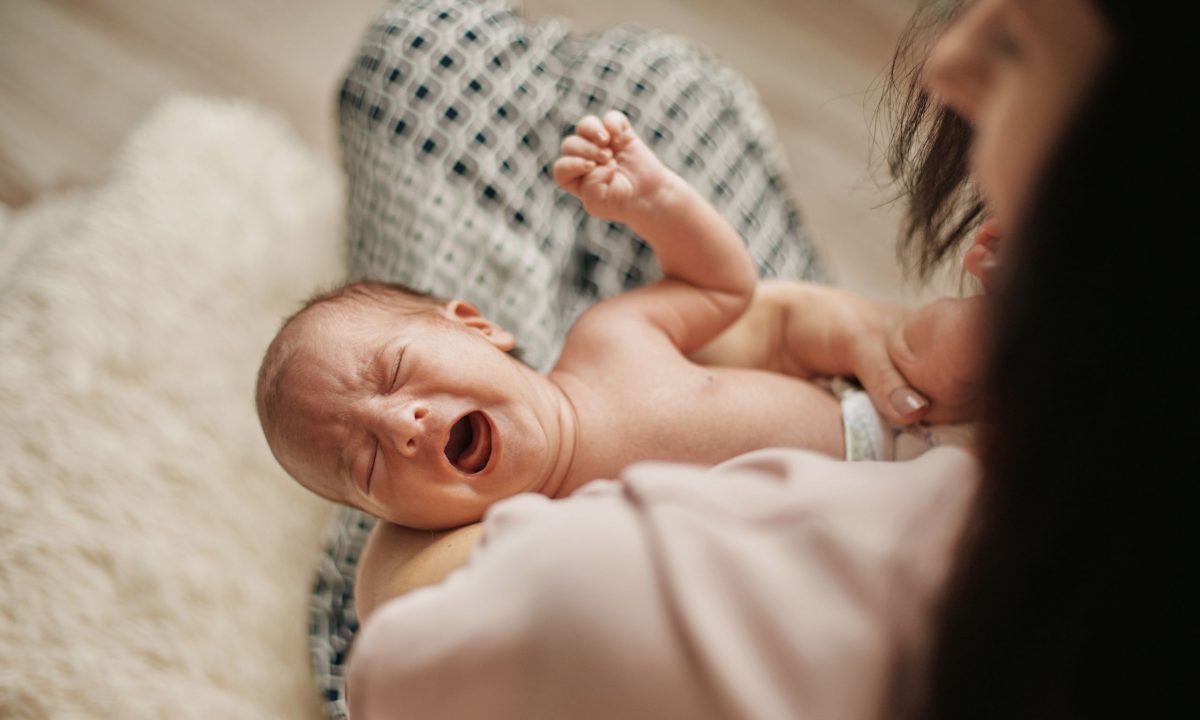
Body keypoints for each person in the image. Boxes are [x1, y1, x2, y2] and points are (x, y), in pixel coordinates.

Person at [348, 0, 1196, 716]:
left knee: (428, 50)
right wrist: (822, 324)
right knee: (656, 84)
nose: (947, 63)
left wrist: (659, 203)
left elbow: (723, 287)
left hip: (509, 628)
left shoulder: (599, 401)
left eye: (1014, 42)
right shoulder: (1111, 404)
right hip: (858, 397)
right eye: (359, 453)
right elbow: (743, 305)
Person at [256, 110, 977, 531]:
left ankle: (1044, 302)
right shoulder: (523, 541)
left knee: (940, 339)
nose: (403, 425)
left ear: (477, 325)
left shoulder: (608, 340)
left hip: (891, 429)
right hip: (865, 548)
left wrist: (654, 202)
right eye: (369, 465)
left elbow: (720, 287)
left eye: (396, 371)